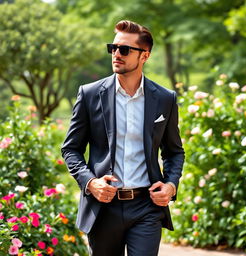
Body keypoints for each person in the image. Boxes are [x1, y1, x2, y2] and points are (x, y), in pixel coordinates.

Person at [61, 20, 185, 256]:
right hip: (103, 206)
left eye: (125, 49)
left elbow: (174, 151)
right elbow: (70, 149)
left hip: (146, 207)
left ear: (144, 56)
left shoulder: (165, 99)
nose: (116, 54)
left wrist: (170, 184)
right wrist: (90, 182)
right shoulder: (89, 95)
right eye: (113, 48)